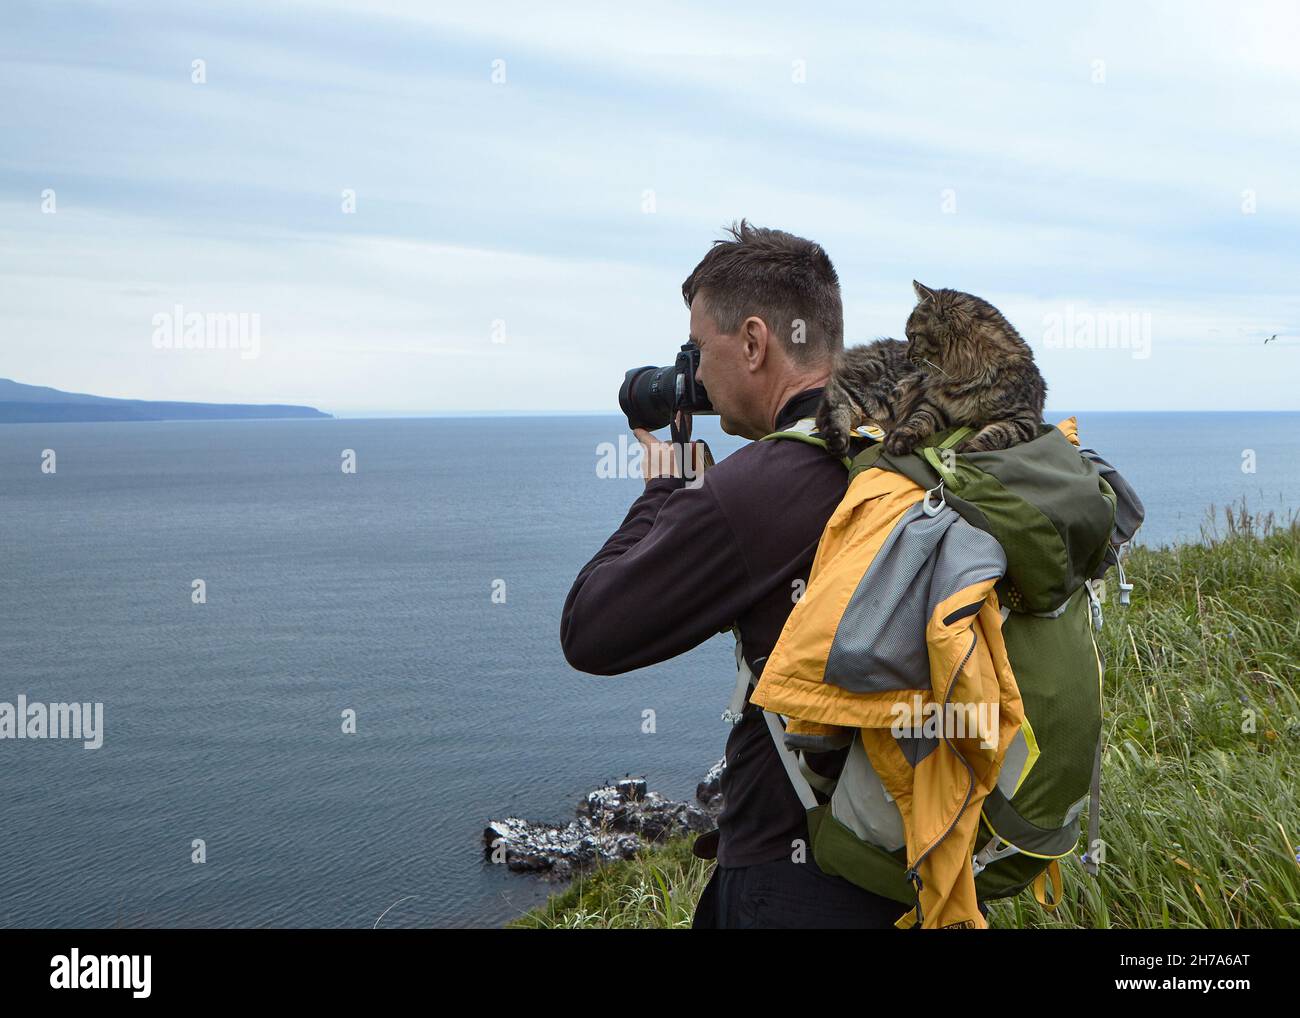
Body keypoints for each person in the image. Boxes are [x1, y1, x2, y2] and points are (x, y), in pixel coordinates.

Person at [560, 221, 908, 928]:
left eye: (699, 348)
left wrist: (666, 489)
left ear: (754, 343)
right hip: (907, 862)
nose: (696, 374)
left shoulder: (763, 484)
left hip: (794, 881)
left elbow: (590, 630)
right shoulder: (899, 452)